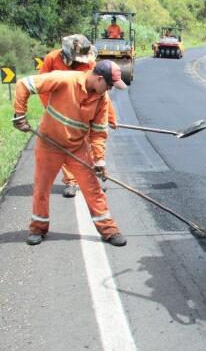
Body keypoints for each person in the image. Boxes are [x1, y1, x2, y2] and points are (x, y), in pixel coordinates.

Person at [12, 60, 128, 247]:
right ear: (99, 79)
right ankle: (37, 228)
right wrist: (19, 114)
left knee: (93, 189)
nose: (109, 90)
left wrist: (99, 160)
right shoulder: (64, 79)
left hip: (77, 148)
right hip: (49, 145)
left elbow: (98, 132)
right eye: (109, 85)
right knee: (42, 188)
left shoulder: (102, 99)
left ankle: (109, 229)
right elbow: (24, 84)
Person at [39, 34, 118, 198]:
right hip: (61, 108)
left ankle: (88, 181)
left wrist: (109, 116)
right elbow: (43, 86)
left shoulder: (89, 61)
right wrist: (50, 108)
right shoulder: (52, 59)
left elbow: (101, 91)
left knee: (88, 144)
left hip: (85, 107)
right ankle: (71, 182)